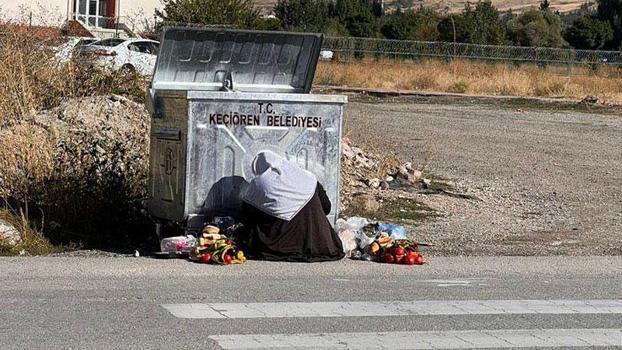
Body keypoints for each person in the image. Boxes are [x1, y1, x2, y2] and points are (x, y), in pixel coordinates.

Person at [241, 151, 344, 262]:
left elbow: (247, 212)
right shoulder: (306, 176)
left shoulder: (258, 183)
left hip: (280, 242)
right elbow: (326, 207)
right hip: (318, 241)